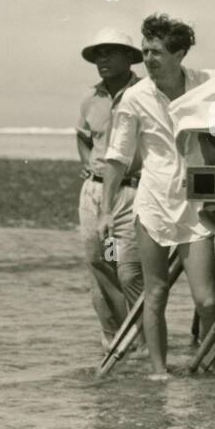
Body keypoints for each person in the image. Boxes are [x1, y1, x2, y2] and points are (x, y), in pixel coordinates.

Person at [100, 13, 215, 377]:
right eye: (146, 51)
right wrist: (106, 210)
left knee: (207, 299)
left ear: (180, 54)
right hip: (152, 202)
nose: (149, 59)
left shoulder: (204, 82)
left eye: (157, 52)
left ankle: (210, 372)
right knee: (155, 294)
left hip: (196, 204)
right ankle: (158, 374)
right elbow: (117, 158)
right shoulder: (135, 98)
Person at [76, 28, 144, 351]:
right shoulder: (91, 98)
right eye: (98, 53)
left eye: (109, 52)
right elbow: (83, 136)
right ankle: (115, 341)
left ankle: (142, 341)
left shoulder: (146, 92)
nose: (102, 60)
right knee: (101, 262)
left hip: (132, 193)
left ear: (129, 58)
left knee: (130, 271)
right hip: (95, 193)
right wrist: (87, 165)